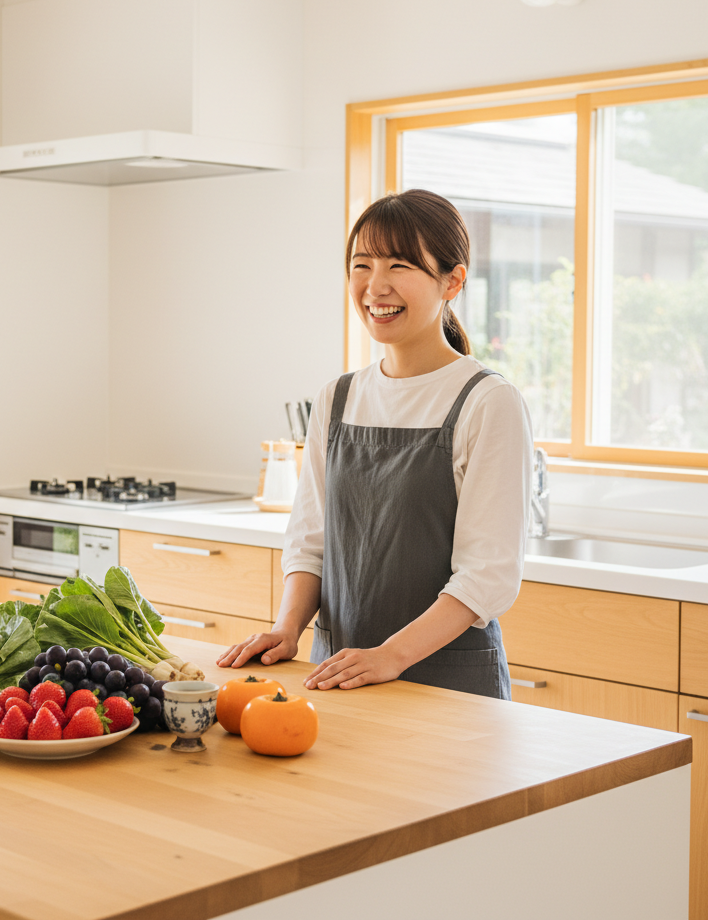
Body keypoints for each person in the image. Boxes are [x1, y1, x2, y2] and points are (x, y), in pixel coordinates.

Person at [216, 189, 532, 698]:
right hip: (337, 675)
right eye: (361, 265)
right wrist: (287, 628)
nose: (375, 285)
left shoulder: (487, 401)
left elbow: (488, 576)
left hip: (448, 687)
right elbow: (309, 539)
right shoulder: (338, 397)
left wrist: (392, 656)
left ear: (453, 280)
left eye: (400, 265)